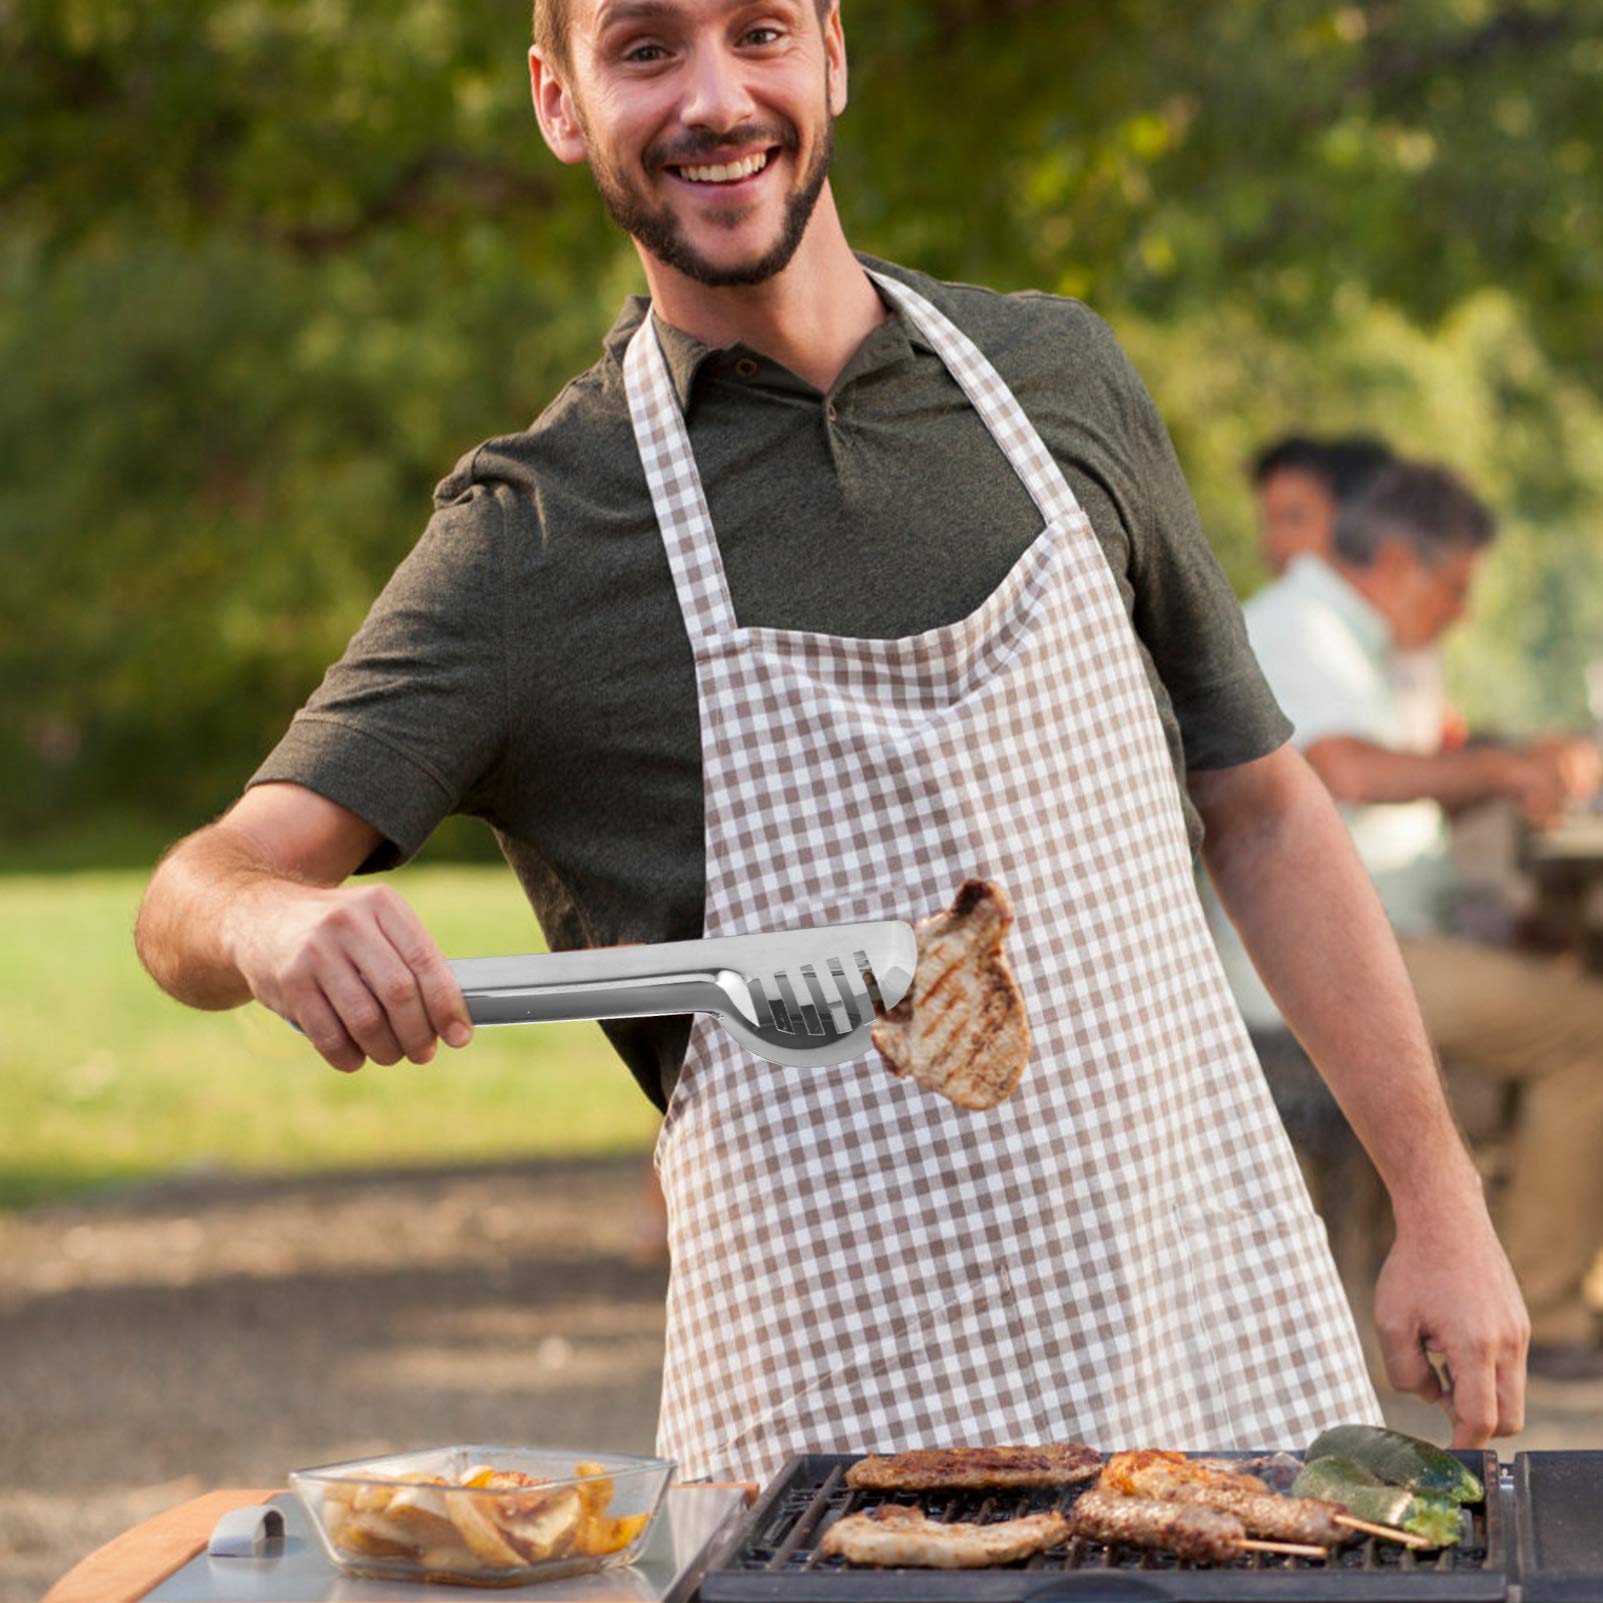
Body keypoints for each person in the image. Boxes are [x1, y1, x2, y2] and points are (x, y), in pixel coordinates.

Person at [134, 0, 1527, 1479]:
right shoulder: (535, 536)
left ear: (833, 56)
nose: (715, 97)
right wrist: (275, 926)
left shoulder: (1057, 378)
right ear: (559, 102)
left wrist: (1434, 1196)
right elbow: (193, 896)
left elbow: (1261, 810)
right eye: (646, 48)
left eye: (757, 32)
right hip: (837, 1457)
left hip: (1208, 1342)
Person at [1214, 460, 1603, 1380]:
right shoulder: (1296, 626)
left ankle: (1490, 1289)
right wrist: (1502, 772)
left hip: (1377, 939)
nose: (1461, 613)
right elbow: (1341, 771)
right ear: (1398, 560)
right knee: (1586, 1030)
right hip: (1311, 960)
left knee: (1545, 1000)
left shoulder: (1350, 638)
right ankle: (1544, 1308)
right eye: (1457, 588)